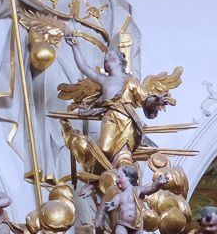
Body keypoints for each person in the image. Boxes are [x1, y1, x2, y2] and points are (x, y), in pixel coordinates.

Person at [0, 0, 140, 178]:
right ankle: (63, 177)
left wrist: (129, 87)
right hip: (54, 61)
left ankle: (95, 181)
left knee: (98, 134)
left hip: (96, 70)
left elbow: (128, 40)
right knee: (59, 122)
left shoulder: (111, 0)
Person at [63, 34, 171, 168]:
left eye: (111, 56)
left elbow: (145, 100)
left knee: (123, 152)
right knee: (104, 150)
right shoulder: (104, 80)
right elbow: (84, 67)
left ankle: (122, 172)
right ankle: (110, 172)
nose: (107, 59)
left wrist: (157, 100)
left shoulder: (130, 81)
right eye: (105, 59)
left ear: (120, 61)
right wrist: (75, 46)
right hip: (110, 118)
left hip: (126, 119)